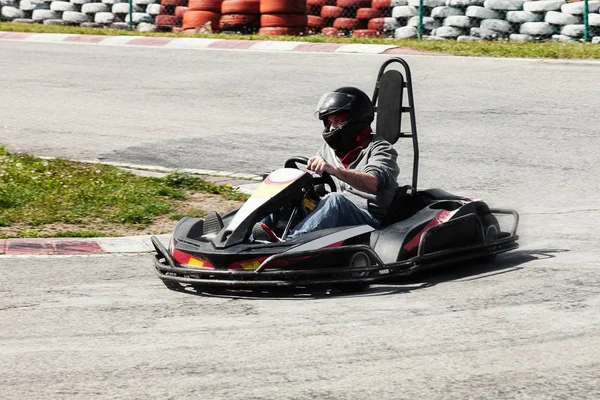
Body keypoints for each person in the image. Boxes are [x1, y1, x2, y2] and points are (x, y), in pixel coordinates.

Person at [253, 86, 400, 242]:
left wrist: (335, 171)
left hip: (368, 220)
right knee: (283, 191)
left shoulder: (380, 148)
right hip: (330, 213)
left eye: (336, 121)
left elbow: (373, 183)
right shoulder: (328, 150)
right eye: (329, 122)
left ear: (355, 120)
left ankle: (289, 244)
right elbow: (318, 186)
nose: (331, 127)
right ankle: (245, 238)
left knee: (335, 200)